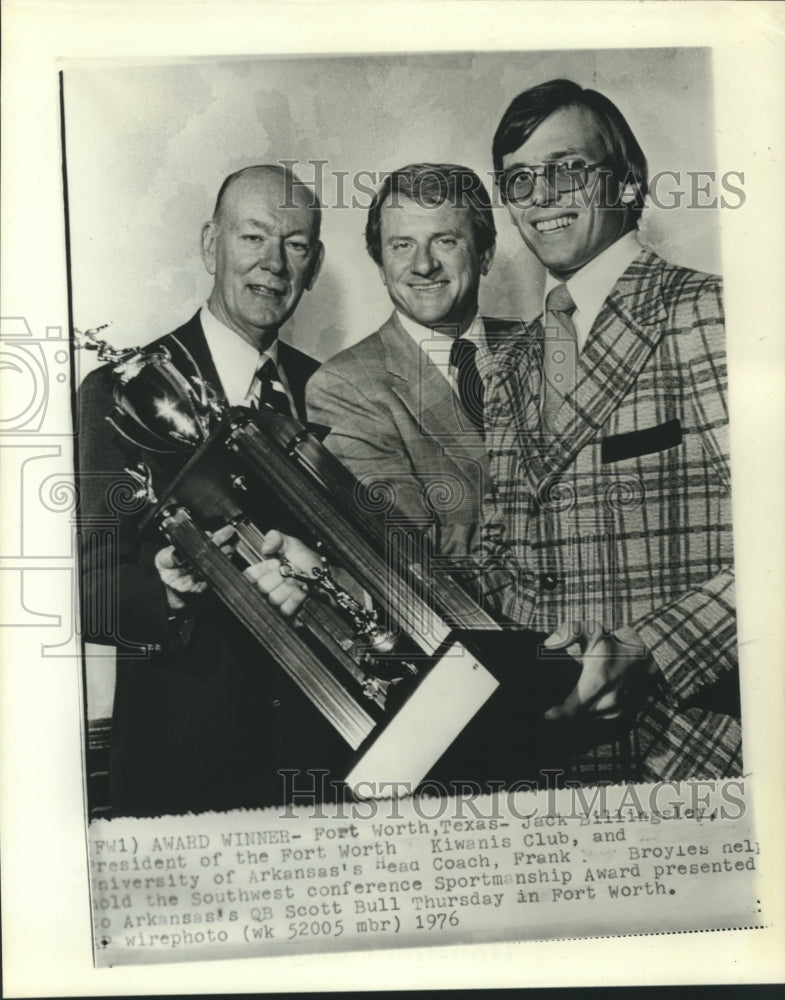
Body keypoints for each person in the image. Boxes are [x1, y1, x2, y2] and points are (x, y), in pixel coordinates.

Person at [474, 79, 741, 781]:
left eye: (567, 169)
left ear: (626, 183)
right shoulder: (512, 364)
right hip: (551, 755)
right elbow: (496, 561)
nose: (541, 196)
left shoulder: (705, 310)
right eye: (520, 180)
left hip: (691, 753)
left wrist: (653, 647)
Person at [77, 164, 337, 817]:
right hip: (184, 773)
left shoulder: (337, 392)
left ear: (314, 263)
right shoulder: (117, 393)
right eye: (252, 238)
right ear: (208, 245)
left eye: (296, 245)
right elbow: (86, 593)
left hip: (325, 766)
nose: (274, 264)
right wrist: (168, 589)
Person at [307, 163, 521, 566]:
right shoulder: (344, 387)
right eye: (402, 245)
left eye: (444, 240)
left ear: (486, 254)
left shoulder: (544, 346)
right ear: (381, 266)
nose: (423, 265)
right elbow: (413, 554)